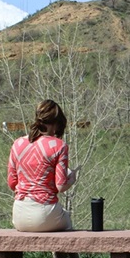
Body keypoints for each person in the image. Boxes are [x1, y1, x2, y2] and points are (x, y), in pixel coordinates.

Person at [8, 99, 77, 231]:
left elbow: (12, 183)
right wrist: (72, 179)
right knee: (67, 223)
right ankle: (63, 253)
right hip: (45, 212)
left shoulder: (17, 144)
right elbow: (61, 186)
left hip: (19, 215)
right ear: (57, 123)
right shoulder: (59, 146)